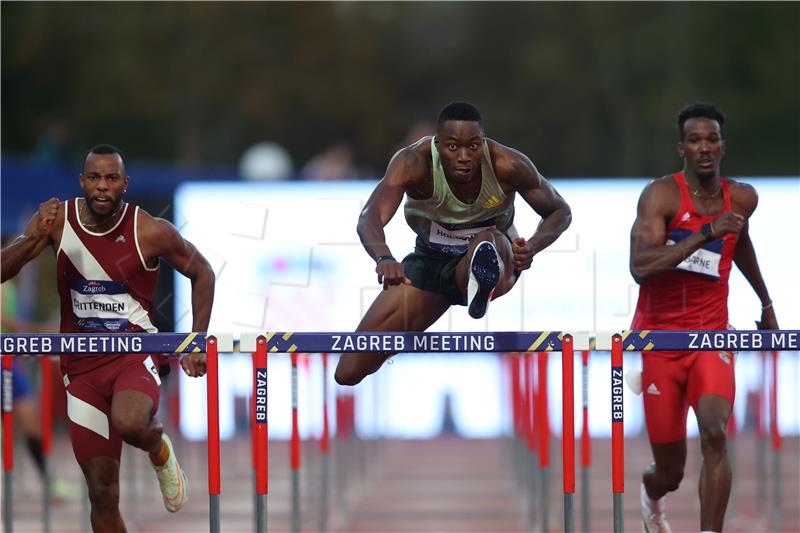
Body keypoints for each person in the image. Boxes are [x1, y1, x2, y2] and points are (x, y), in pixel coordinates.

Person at [1, 144, 216, 532]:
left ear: (125, 184)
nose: (103, 187)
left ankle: (159, 448)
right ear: (82, 181)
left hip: (133, 356)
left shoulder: (148, 229)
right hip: (81, 368)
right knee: (102, 494)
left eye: (111, 179)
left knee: (131, 422)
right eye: (95, 178)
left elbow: (203, 273)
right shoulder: (58, 221)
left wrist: (197, 340)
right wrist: (32, 235)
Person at [335, 102, 571, 385]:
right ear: (437, 144)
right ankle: (466, 286)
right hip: (432, 262)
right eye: (452, 147)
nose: (464, 157)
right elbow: (369, 216)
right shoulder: (413, 162)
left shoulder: (508, 165)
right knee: (349, 370)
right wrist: (384, 258)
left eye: (473, 147)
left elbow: (560, 211)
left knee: (488, 241)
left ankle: (480, 282)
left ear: (482, 142)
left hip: (497, 253)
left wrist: (532, 245)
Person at [629, 103, 778, 533]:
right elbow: (641, 265)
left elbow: (742, 243)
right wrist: (704, 234)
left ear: (723, 146)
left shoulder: (742, 197)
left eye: (711, 139)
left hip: (712, 337)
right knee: (670, 473)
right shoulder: (661, 196)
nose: (704, 148)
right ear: (682, 148)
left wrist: (766, 304)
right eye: (695, 140)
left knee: (714, 432)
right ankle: (652, 491)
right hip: (661, 341)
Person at [0, 272, 82, 499]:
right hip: (3, 359)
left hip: (11, 361)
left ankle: (49, 482)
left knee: (31, 422)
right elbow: (4, 320)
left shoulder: (10, 284)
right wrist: (40, 331)